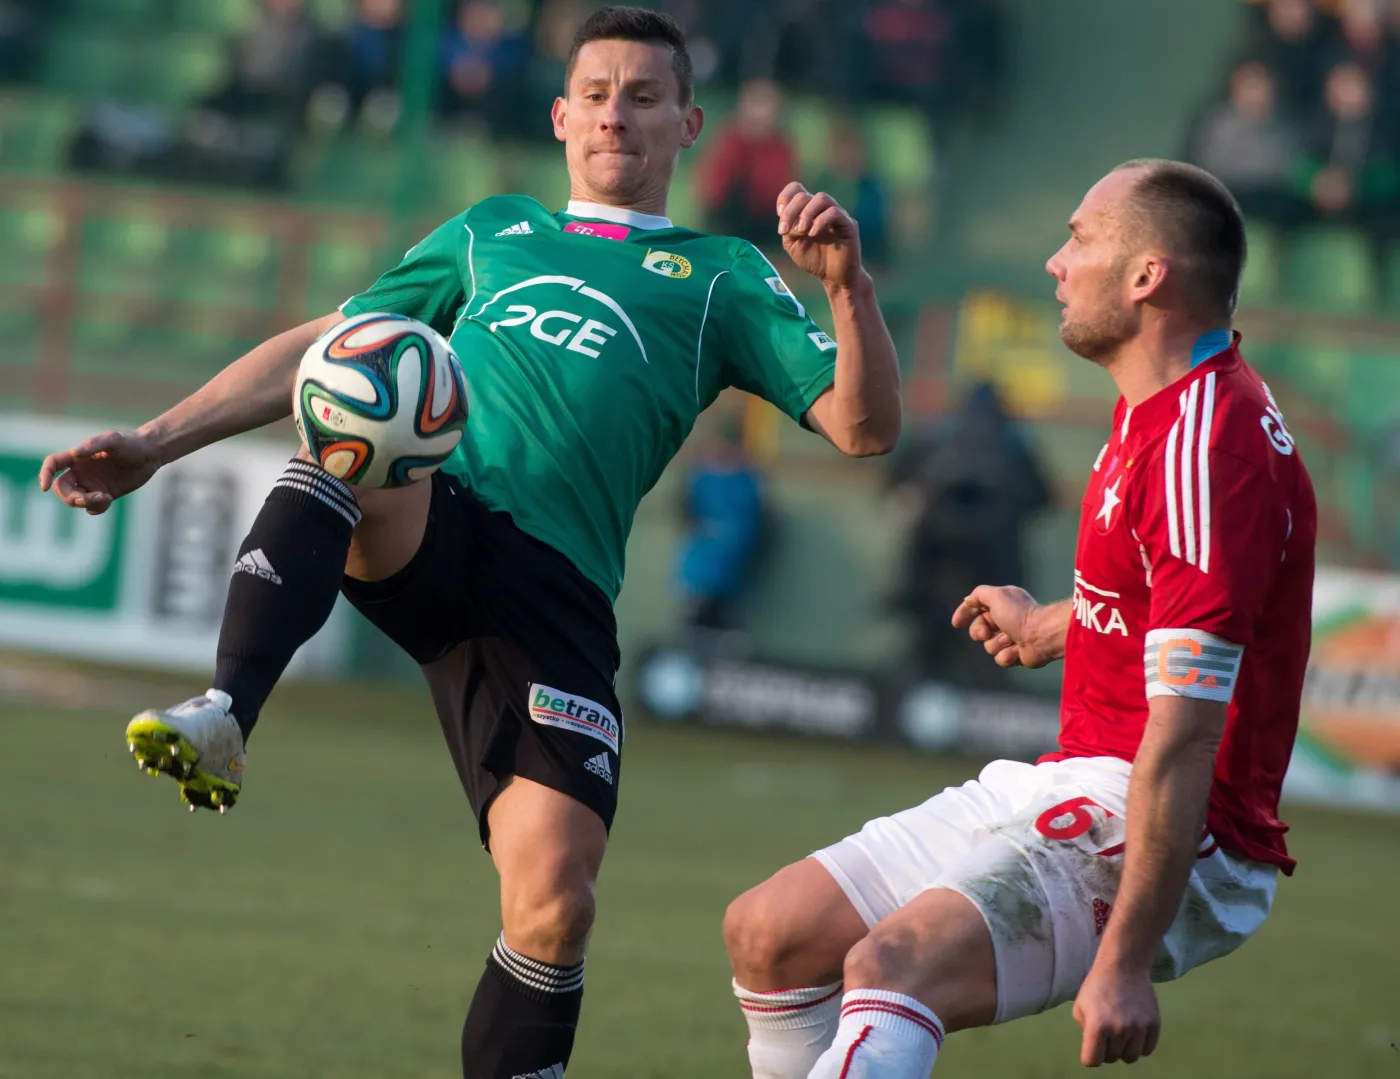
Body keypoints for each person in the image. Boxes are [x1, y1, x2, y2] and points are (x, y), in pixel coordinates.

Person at [36, 8, 902, 1078]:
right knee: (355, 404)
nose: (614, 115)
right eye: (594, 94)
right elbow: (323, 344)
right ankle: (226, 709)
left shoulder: (719, 273)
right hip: (433, 520)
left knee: (554, 902)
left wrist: (845, 288)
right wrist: (158, 441)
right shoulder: (491, 230)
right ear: (557, 116)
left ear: (689, 124)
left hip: (556, 594)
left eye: (642, 96)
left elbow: (862, 428)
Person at [722, 159, 1316, 1077]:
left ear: (1146, 276)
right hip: (1085, 772)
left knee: (894, 967)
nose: (1055, 261)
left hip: (1185, 826)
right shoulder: (1161, 406)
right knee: (770, 932)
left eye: (1080, 238)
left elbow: (1188, 738)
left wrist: (1123, 960)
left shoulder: (1207, 442)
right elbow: (1190, 601)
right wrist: (1052, 626)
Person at [676, 415, 768, 633]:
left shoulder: (748, 481)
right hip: (700, 572)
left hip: (735, 573)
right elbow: (686, 514)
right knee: (695, 625)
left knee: (724, 627)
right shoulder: (700, 478)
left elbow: (758, 525)